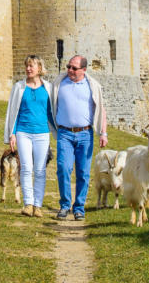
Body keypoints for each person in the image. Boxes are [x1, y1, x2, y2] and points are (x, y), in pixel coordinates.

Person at [53, 54, 107, 221]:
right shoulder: (59, 83)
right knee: (63, 168)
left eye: (74, 68)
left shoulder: (93, 86)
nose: (70, 70)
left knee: (83, 173)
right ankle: (64, 205)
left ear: (83, 70)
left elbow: (101, 110)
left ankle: (79, 208)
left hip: (85, 134)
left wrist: (103, 133)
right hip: (64, 134)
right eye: (68, 67)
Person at [4, 54, 56, 218]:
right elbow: (14, 112)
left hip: (42, 133)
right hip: (23, 132)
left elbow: (51, 113)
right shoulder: (19, 87)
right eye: (26, 66)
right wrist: (12, 134)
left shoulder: (48, 88)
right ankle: (28, 204)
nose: (28, 69)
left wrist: (59, 132)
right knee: (26, 168)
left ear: (39, 68)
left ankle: (38, 206)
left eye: (31, 66)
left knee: (40, 170)